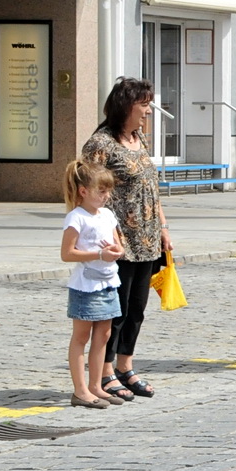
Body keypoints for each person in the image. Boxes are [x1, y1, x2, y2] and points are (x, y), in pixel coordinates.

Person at [80, 77, 171, 402]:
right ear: (126, 105)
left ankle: (125, 366)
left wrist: (163, 228)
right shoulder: (100, 144)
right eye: (143, 104)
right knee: (114, 312)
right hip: (116, 241)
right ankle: (104, 372)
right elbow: (86, 190)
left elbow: (152, 188)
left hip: (147, 239)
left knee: (137, 308)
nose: (148, 111)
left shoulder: (137, 138)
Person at [61, 160, 124, 409]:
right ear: (83, 191)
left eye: (108, 191)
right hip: (86, 284)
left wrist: (115, 250)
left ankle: (96, 385)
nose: (106, 196)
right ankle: (80, 390)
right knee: (81, 336)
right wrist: (98, 255)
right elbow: (67, 253)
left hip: (108, 281)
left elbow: (119, 244)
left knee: (104, 334)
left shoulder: (108, 215)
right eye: (101, 191)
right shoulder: (76, 217)